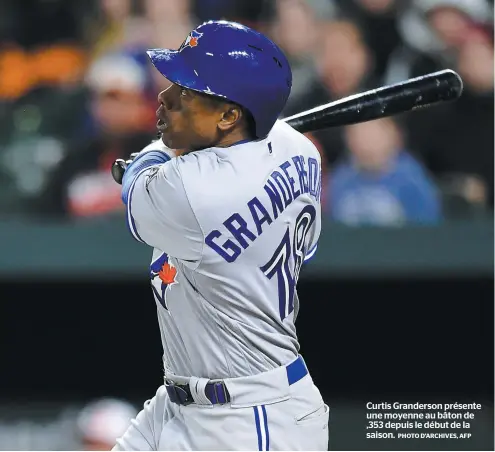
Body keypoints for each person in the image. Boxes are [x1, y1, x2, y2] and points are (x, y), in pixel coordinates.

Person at [112, 20, 328, 451]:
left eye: (187, 92)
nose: (165, 97)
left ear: (231, 116)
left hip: (250, 419)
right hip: (182, 400)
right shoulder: (299, 149)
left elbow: (136, 182)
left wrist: (152, 152)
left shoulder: (192, 189)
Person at [329, 118, 441, 226]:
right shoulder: (339, 180)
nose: (365, 140)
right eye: (357, 132)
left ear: (394, 134)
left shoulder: (413, 180)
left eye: (372, 133)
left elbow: (428, 233)